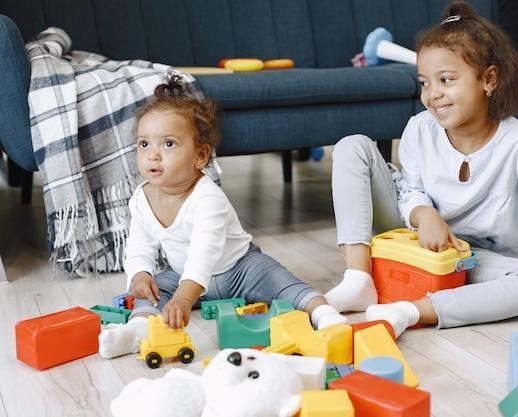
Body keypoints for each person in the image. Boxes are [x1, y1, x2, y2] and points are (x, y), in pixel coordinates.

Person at [324, 1, 518, 337]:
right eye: (425, 82)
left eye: (446, 80)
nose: (432, 94)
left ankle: (410, 312)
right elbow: (408, 190)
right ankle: (357, 278)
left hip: (473, 259)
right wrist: (425, 215)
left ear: (489, 80)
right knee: (353, 145)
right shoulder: (419, 128)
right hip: (411, 237)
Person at [99, 74, 345, 359]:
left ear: (201, 156)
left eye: (168, 144)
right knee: (152, 290)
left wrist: (184, 297)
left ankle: (323, 312)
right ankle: (137, 330)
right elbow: (139, 245)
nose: (153, 155)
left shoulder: (207, 198)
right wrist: (140, 273)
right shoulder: (141, 199)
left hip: (239, 268)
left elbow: (205, 252)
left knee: (280, 280)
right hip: (183, 274)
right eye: (144, 144)